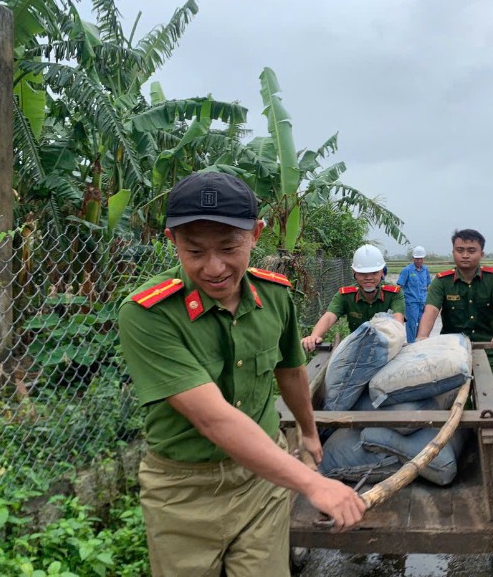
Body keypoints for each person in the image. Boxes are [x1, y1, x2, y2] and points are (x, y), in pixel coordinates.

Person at [118, 172, 365, 577]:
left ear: (255, 234)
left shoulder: (275, 295)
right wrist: (311, 482)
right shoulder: (149, 313)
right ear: (171, 241)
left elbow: (290, 371)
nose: (214, 268)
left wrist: (307, 431)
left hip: (262, 484)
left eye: (229, 248)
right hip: (184, 493)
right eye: (194, 252)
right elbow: (212, 417)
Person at [417, 229, 493, 394]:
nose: (465, 255)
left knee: (492, 400)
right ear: (453, 252)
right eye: (460, 250)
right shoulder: (442, 281)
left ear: (481, 254)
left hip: (489, 349)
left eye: (471, 250)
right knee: (451, 401)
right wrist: (422, 336)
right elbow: (431, 310)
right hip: (452, 353)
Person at [301, 244, 405, 351]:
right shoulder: (345, 295)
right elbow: (329, 317)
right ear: (354, 273)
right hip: (357, 349)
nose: (368, 278)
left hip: (387, 348)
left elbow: (398, 323)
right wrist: (314, 336)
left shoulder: (394, 293)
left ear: (382, 273)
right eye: (362, 273)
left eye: (374, 273)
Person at [397, 245, 431, 343]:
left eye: (420, 259)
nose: (419, 261)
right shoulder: (407, 270)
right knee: (411, 324)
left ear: (423, 259)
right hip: (411, 303)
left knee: (422, 324)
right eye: (417, 259)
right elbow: (399, 286)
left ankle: (420, 343)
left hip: (423, 302)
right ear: (413, 258)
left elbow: (429, 285)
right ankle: (411, 344)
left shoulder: (426, 270)